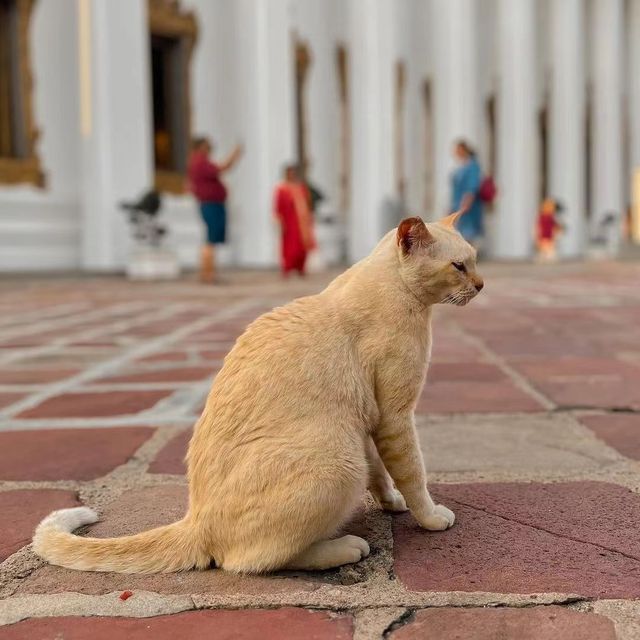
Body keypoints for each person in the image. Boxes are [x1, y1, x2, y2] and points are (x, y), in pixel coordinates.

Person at [187, 137, 242, 283]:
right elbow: (222, 168)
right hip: (210, 204)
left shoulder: (198, 162)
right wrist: (234, 155)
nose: (210, 148)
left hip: (212, 203)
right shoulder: (200, 162)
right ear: (200, 147)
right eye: (207, 146)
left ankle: (208, 272)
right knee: (210, 239)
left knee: (211, 239)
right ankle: (208, 274)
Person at [273, 164, 316, 277]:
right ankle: (287, 269)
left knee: (302, 247)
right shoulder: (282, 189)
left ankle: (301, 268)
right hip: (289, 222)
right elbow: (278, 206)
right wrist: (280, 221)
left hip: (302, 222)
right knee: (290, 248)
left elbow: (307, 203)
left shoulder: (300, 187)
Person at [450, 139, 484, 245]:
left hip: (467, 205)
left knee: (468, 232)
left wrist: (467, 202)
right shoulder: (461, 166)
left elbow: (472, 186)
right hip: (457, 203)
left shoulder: (472, 165)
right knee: (459, 231)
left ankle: (469, 256)